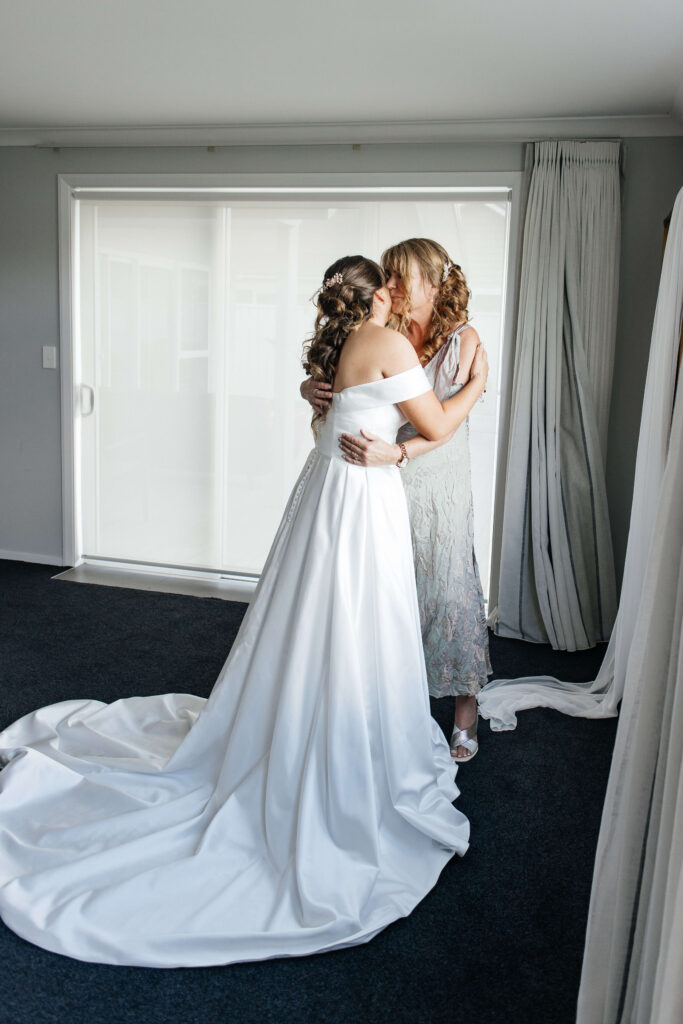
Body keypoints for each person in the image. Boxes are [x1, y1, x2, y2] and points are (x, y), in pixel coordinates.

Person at [0, 255, 488, 968]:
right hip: (357, 501)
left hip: (326, 492)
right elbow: (438, 423)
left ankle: (307, 713)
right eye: (387, 280)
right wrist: (476, 383)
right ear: (375, 295)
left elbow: (335, 403)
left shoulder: (345, 344)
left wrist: (337, 405)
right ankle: (336, 743)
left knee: (317, 621)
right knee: (354, 623)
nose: (394, 286)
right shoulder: (383, 344)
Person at [302, 239, 492, 763]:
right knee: (390, 591)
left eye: (401, 278)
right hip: (379, 479)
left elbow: (445, 429)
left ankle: (464, 714)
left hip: (434, 472)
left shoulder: (462, 340)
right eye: (387, 276)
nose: (390, 286)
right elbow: (350, 385)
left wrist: (400, 452)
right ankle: (385, 702)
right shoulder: (383, 329)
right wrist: (308, 386)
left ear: (431, 283)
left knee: (448, 587)